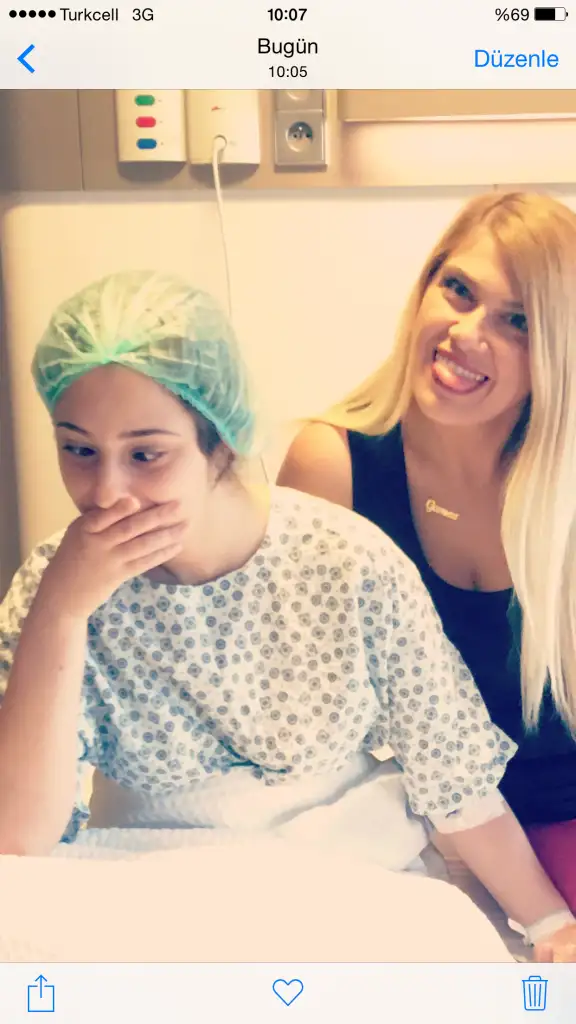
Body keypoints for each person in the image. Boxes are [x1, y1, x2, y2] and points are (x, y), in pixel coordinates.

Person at [0, 269, 574, 963]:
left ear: (223, 439)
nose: (106, 492)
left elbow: (455, 782)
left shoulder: (347, 563)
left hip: (341, 878)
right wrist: (60, 616)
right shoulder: (54, 584)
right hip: (142, 880)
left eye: (146, 454)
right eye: (78, 450)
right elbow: (19, 845)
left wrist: (548, 923)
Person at [277, 190, 576, 931]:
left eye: (516, 322)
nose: (466, 333)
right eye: (459, 290)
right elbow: (307, 719)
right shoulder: (331, 468)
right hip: (416, 825)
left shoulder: (564, 484)